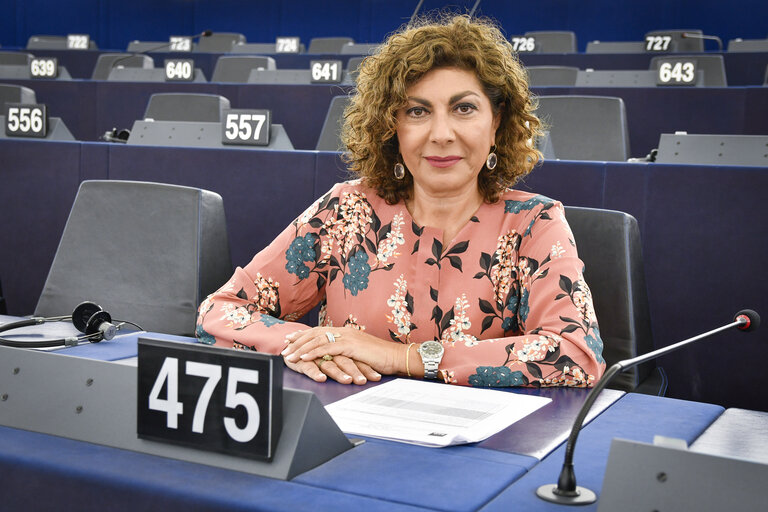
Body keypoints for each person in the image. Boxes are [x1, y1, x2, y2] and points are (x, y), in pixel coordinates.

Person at [196, 14, 605, 388]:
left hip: (480, 453)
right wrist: (313, 346)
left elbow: (577, 355)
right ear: (392, 127)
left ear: (496, 123)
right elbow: (220, 311)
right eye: (417, 111)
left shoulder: (535, 222)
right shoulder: (346, 211)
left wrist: (401, 357)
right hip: (348, 442)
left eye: (464, 108)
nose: (441, 133)